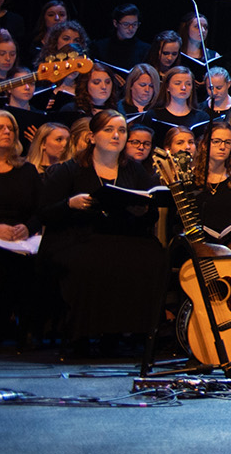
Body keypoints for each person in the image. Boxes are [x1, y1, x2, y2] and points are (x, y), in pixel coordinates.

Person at [36, 110, 170, 356]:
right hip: (78, 234)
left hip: (123, 235)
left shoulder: (135, 171)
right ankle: (81, 336)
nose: (116, 135)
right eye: (108, 130)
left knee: (153, 257)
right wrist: (70, 204)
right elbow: (44, 213)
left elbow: (150, 211)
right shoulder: (70, 169)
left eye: (121, 131)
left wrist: (142, 209)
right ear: (92, 137)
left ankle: (128, 333)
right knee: (92, 260)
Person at [0, 110, 42, 345]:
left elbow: (41, 209)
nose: (7, 132)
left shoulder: (26, 170)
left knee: (36, 262)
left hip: (21, 239)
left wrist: (27, 228)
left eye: (11, 128)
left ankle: (26, 328)